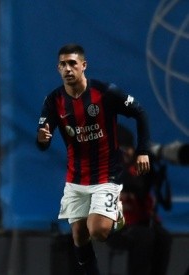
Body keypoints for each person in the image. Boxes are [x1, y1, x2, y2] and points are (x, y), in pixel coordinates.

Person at [36, 43, 151, 275]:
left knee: (97, 230)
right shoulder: (53, 101)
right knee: (79, 235)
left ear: (83, 65)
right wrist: (42, 138)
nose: (67, 69)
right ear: (58, 68)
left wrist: (142, 150)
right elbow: (43, 142)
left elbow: (140, 112)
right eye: (62, 65)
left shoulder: (105, 92)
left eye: (72, 63)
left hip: (107, 174)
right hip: (76, 177)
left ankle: (116, 214)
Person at [106, 125, 172, 275]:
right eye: (124, 149)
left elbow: (143, 191)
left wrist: (153, 172)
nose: (129, 153)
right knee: (144, 237)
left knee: (164, 238)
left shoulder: (136, 167)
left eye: (130, 148)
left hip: (138, 222)